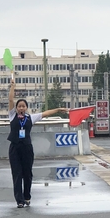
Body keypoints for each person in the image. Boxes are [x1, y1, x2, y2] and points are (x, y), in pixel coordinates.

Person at [8, 80, 67, 208]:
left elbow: (45, 114)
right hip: (15, 148)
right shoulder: (12, 115)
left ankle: (27, 197)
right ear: (16, 108)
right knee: (17, 174)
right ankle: (19, 200)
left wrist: (58, 109)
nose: (21, 108)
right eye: (19, 106)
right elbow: (11, 100)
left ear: (26, 108)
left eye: (23, 106)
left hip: (27, 148)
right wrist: (12, 87)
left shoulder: (31, 118)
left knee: (27, 173)